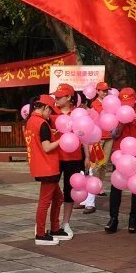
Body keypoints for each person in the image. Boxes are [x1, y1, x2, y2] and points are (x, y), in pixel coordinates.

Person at [24, 95, 69, 246]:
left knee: (58, 198)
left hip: (40, 165)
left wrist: (52, 134)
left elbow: (38, 141)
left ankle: (54, 229)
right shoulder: (42, 123)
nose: (50, 115)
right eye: (50, 111)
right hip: (48, 167)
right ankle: (40, 234)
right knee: (45, 202)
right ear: (45, 108)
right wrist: (61, 140)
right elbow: (47, 147)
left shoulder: (31, 121)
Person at [106, 87, 136, 234]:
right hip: (120, 154)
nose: (127, 106)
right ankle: (113, 219)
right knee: (116, 186)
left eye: (129, 103)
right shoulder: (116, 112)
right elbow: (113, 135)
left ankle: (133, 219)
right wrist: (122, 122)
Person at [50, 83, 83, 238]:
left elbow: (85, 134)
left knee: (70, 190)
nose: (56, 99)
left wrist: (87, 156)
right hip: (54, 157)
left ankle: (66, 223)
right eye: (55, 96)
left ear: (69, 97)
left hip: (74, 157)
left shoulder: (78, 113)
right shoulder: (50, 112)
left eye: (59, 96)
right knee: (52, 190)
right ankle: (53, 223)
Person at [85, 80, 113, 213]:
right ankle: (91, 192)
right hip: (98, 137)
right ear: (97, 91)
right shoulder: (95, 104)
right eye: (102, 90)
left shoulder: (111, 102)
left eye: (106, 90)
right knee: (95, 164)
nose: (105, 93)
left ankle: (99, 186)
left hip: (109, 136)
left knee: (104, 164)